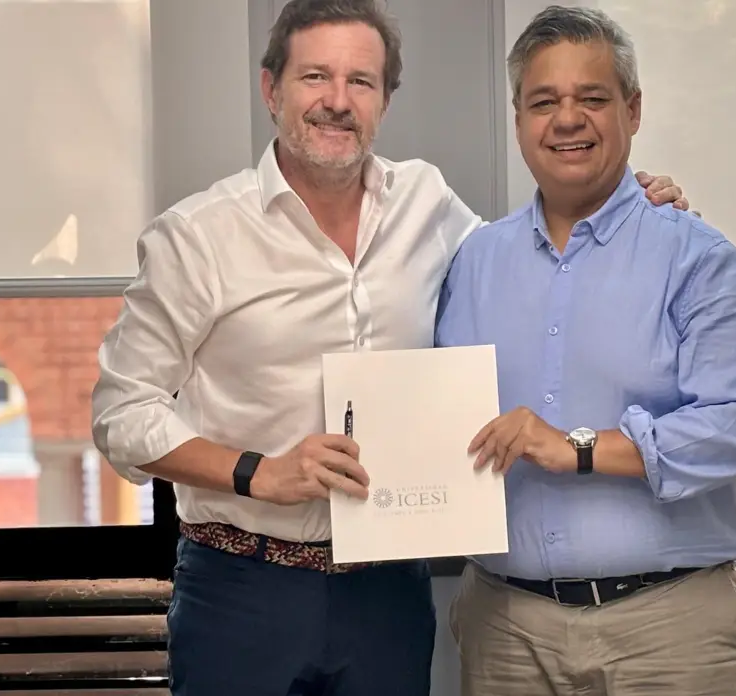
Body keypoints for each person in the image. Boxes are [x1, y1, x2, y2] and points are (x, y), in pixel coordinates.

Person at [90, 1, 691, 694]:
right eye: (315, 77)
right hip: (243, 588)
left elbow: (533, 265)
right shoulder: (197, 237)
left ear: (384, 100)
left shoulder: (428, 204)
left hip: (388, 593)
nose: (337, 101)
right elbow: (121, 413)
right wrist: (260, 473)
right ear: (271, 89)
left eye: (361, 81)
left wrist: (628, 204)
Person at [435, 6, 736, 696]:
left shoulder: (694, 255)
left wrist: (582, 447)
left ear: (633, 110)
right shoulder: (472, 262)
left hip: (671, 633)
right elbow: (434, 415)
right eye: (544, 102)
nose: (567, 120)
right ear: (518, 120)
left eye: (591, 98)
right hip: (505, 633)